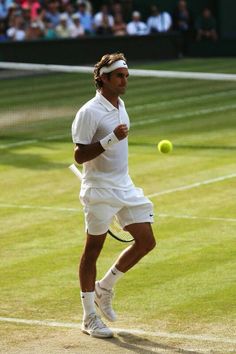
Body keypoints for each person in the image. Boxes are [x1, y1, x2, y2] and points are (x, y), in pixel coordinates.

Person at [71, 52, 156, 338]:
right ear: (103, 79)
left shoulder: (121, 105)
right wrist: (110, 139)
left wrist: (114, 139)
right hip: (99, 189)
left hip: (124, 186)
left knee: (146, 241)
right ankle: (88, 317)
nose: (124, 81)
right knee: (92, 250)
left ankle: (104, 288)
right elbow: (79, 155)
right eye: (119, 76)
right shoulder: (89, 112)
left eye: (126, 76)